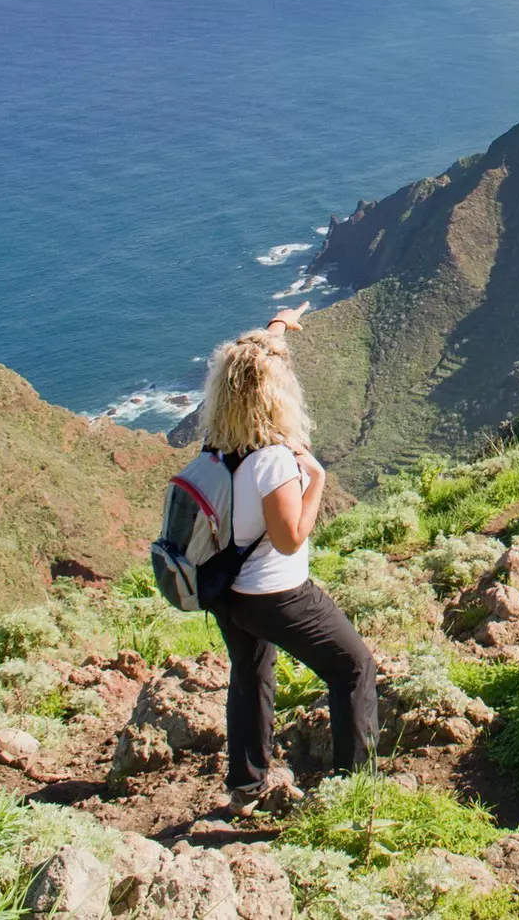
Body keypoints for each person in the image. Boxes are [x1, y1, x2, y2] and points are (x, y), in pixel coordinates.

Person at [197, 303, 376, 816]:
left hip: (226, 592)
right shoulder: (273, 460)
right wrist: (315, 482)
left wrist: (277, 326)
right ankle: (352, 792)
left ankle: (246, 786)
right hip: (276, 594)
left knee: (250, 674)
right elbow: (291, 537)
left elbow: (251, 360)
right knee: (353, 667)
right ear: (274, 396)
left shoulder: (218, 445)